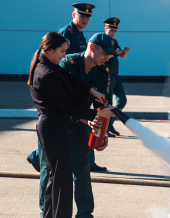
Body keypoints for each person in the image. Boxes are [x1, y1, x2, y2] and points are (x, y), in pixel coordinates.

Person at [28, 31, 115, 218]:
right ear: (50, 50)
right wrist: (97, 115)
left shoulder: (49, 67)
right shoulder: (47, 74)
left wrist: (92, 92)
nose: (64, 56)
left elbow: (71, 79)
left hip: (54, 127)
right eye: (62, 51)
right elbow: (67, 107)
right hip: (55, 127)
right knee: (63, 181)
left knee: (55, 180)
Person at [27, 2, 108, 172]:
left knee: (70, 151)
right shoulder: (66, 34)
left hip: (75, 94)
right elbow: (62, 68)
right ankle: (36, 155)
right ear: (73, 15)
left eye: (88, 17)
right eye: (82, 15)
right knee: (49, 164)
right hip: (61, 99)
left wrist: (89, 90)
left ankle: (38, 155)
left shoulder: (80, 35)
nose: (85, 19)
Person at [88, 17, 131, 170]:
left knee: (123, 100)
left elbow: (121, 56)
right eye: (110, 29)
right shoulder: (103, 41)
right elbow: (109, 55)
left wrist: (123, 52)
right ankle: (108, 126)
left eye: (114, 30)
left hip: (115, 76)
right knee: (108, 103)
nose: (112, 32)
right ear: (105, 29)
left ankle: (110, 124)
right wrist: (116, 53)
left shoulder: (114, 42)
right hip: (106, 77)